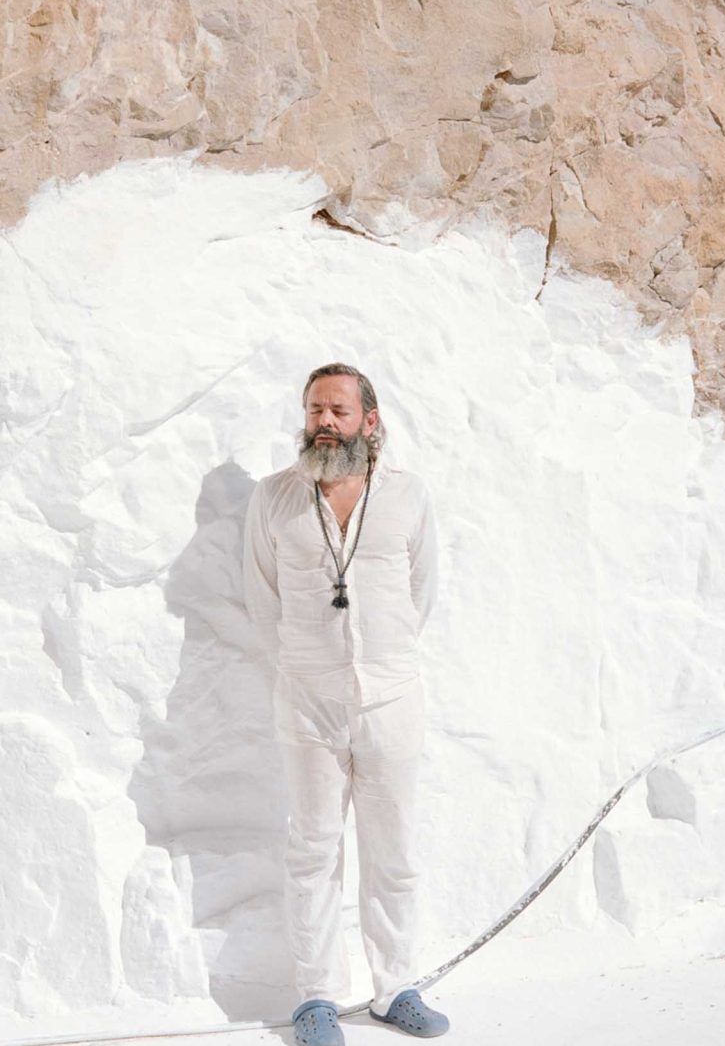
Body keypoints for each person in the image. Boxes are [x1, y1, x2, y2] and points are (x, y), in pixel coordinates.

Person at [242, 362, 449, 1045]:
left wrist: (380, 659)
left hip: (391, 697)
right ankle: (315, 1000)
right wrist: (312, 663)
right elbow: (260, 597)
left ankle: (397, 990)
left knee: (394, 851)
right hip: (308, 699)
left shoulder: (410, 496)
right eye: (313, 410)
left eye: (337, 410)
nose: (324, 421)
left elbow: (422, 588)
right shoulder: (273, 499)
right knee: (313, 850)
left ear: (370, 419)